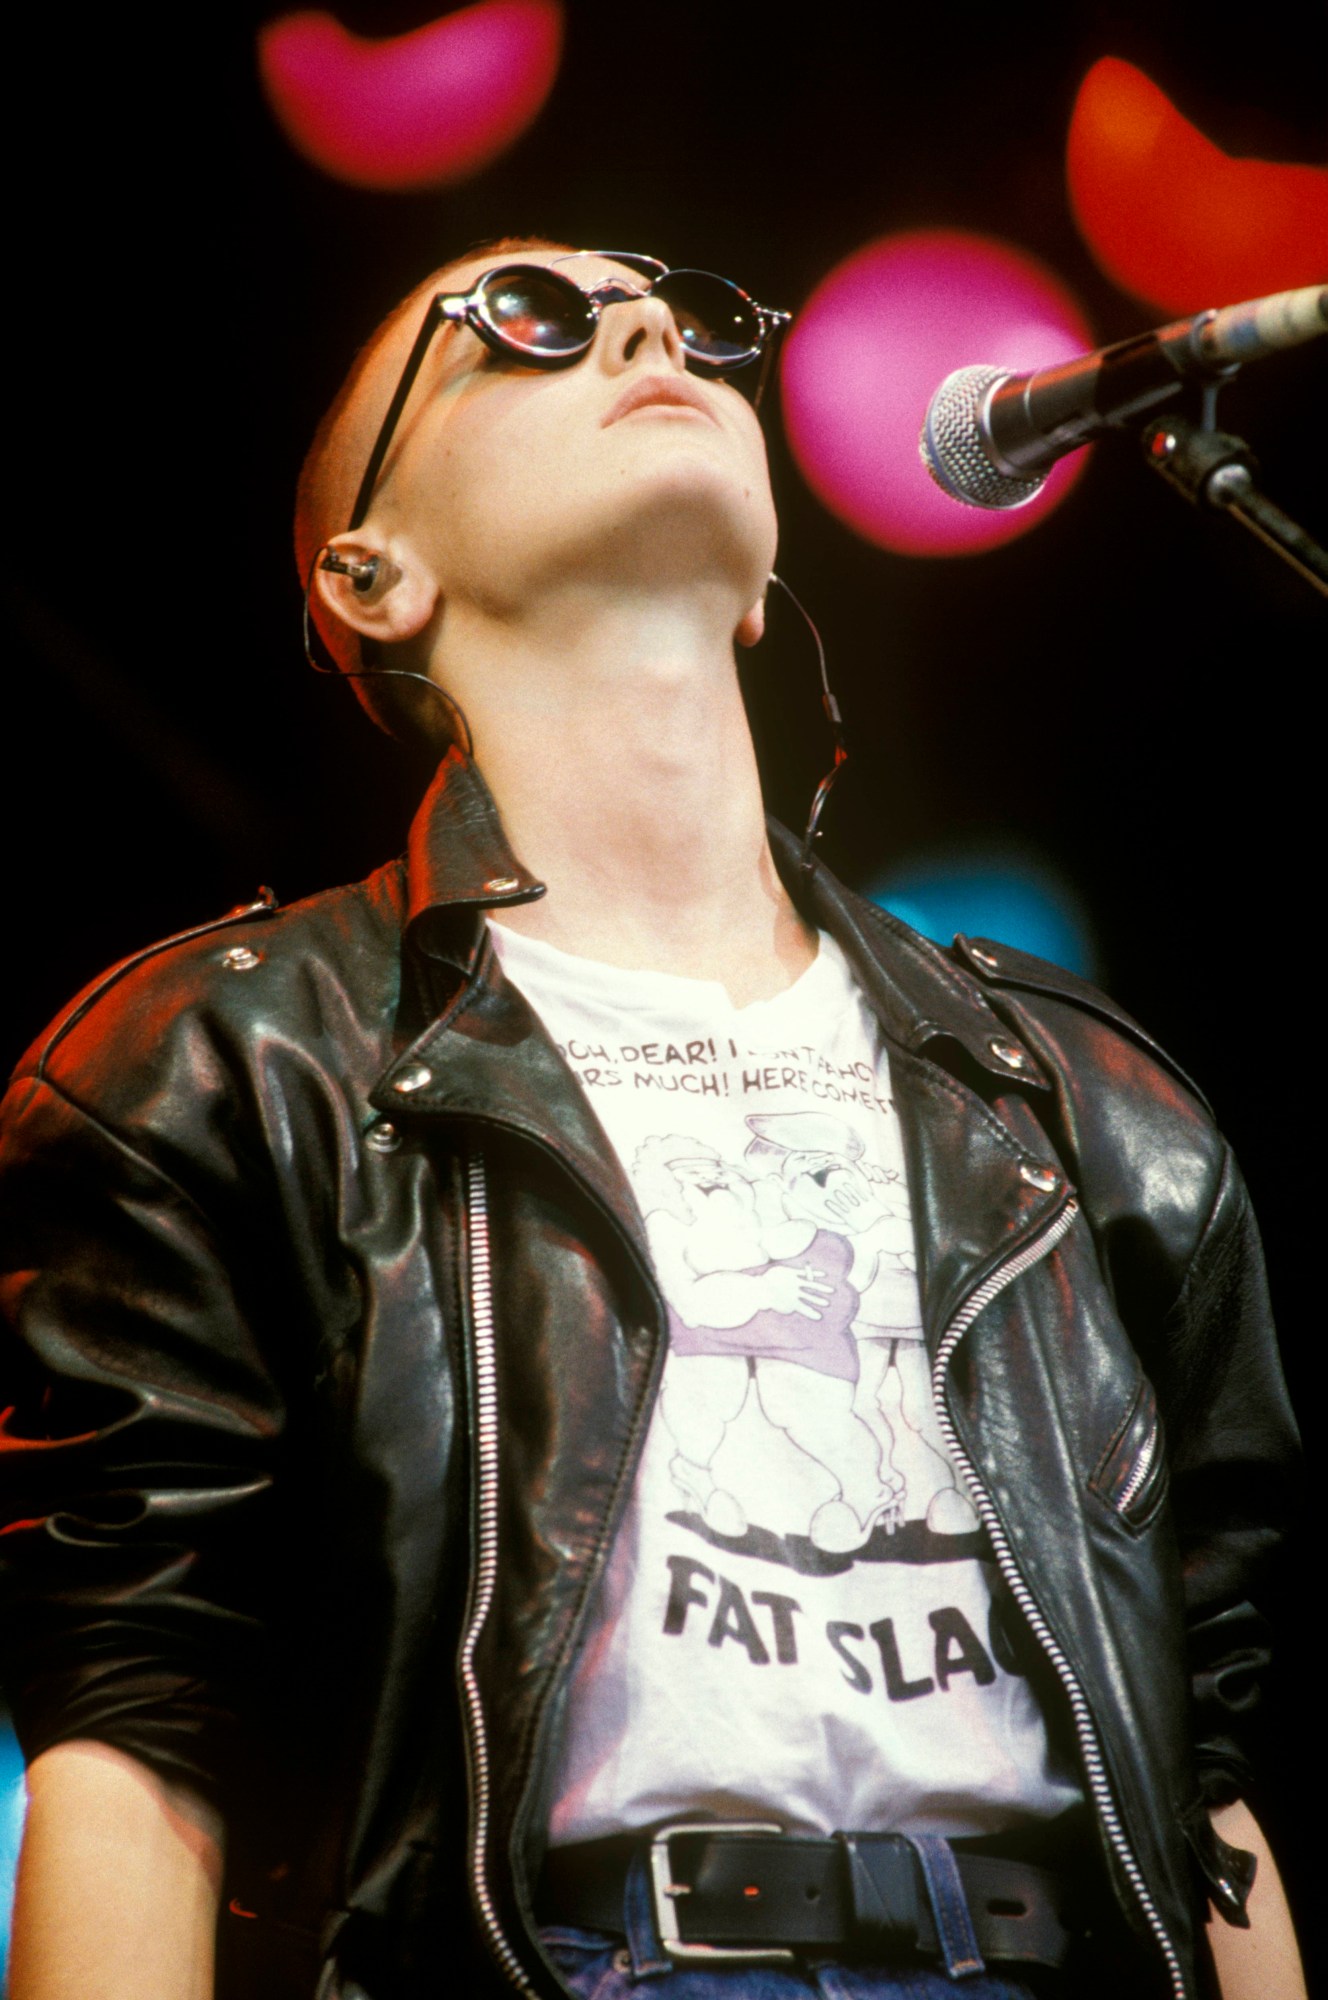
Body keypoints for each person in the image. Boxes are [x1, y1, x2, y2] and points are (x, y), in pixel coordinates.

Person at [0, 239, 1304, 2000]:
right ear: (370, 576)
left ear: (763, 584)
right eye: (521, 321)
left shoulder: (1087, 1100)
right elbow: (141, 1724)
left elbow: (1203, 1769)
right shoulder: (226, 1061)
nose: (642, 328)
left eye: (695, 321)